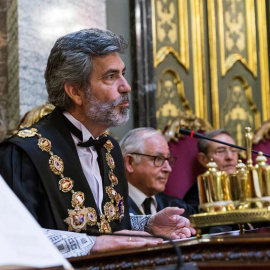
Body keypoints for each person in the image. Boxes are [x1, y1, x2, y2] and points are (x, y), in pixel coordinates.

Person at [0, 28, 195, 256]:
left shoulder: (109, 148)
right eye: (111, 77)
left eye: (122, 73)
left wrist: (149, 224)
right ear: (75, 91)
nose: (126, 86)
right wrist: (91, 245)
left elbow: (103, 223)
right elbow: (12, 235)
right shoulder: (23, 152)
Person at [119, 127, 197, 218]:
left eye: (167, 159)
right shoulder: (111, 208)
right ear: (130, 162)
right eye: (158, 159)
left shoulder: (175, 207)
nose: (168, 169)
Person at [184, 129, 239, 212]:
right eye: (220, 151)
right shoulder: (196, 197)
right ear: (203, 159)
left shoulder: (247, 185)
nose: (230, 157)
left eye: (233, 150)